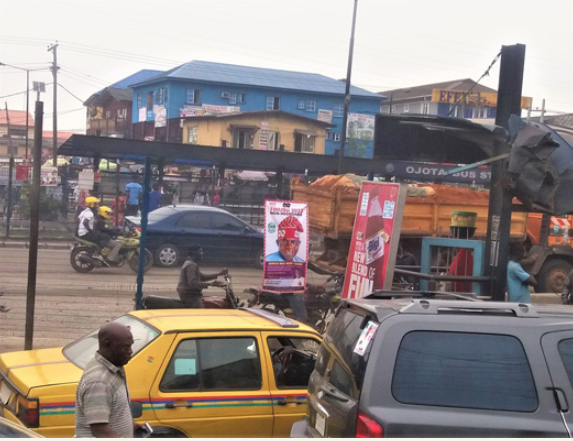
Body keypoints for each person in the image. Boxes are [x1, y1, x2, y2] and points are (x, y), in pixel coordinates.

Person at [75, 322, 145, 438]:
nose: (130, 351)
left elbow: (111, 412)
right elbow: (99, 430)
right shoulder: (99, 381)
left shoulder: (113, 368)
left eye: (131, 345)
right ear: (107, 345)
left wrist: (130, 425)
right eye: (126, 347)